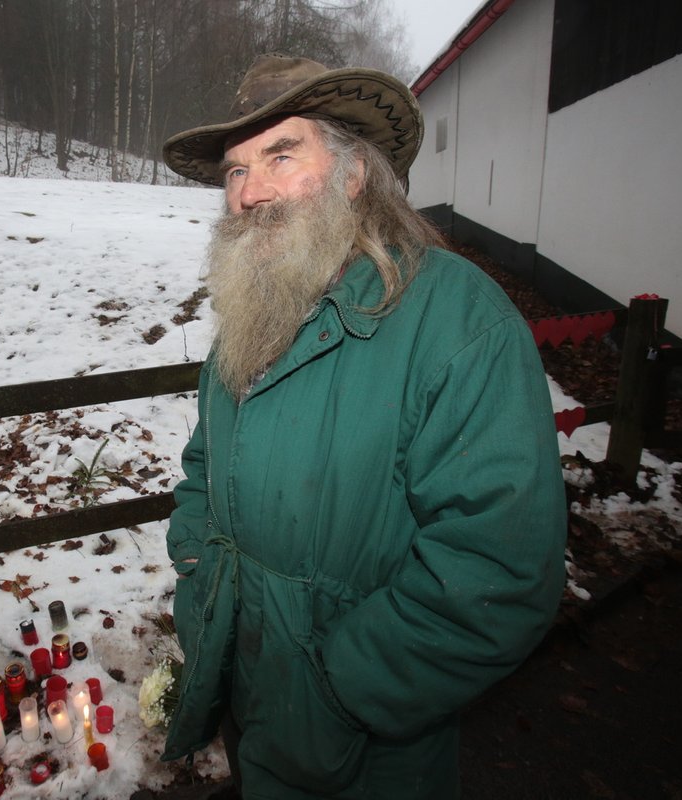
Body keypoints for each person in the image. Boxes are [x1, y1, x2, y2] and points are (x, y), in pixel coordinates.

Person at [160, 54, 567, 799]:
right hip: (247, 690)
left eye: (282, 155)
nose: (251, 193)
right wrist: (199, 580)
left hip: (366, 739)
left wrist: (336, 689)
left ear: (353, 174)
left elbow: (497, 573)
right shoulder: (255, 307)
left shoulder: (456, 320)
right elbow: (203, 464)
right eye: (235, 172)